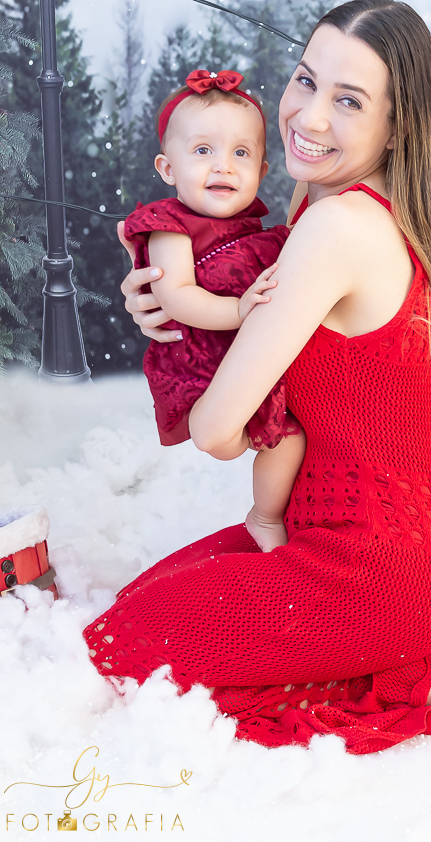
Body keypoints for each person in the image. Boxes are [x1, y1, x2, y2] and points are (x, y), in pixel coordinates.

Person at [84, 0, 431, 755]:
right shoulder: (361, 211)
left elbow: (214, 433)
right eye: (305, 80)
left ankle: (416, 674)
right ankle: (412, 644)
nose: (309, 115)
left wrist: (195, 345)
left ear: (396, 128)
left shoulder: (334, 228)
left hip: (371, 569)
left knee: (120, 647)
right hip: (399, 555)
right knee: (142, 605)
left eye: (348, 100)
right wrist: (174, 313)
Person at [122, 69, 305, 552]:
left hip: (250, 361)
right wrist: (241, 311)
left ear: (263, 171)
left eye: (241, 153)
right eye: (203, 151)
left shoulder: (266, 234)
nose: (223, 166)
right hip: (201, 362)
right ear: (167, 168)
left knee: (287, 442)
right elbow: (177, 295)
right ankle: (237, 447)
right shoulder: (169, 226)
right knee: (226, 443)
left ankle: (264, 517)